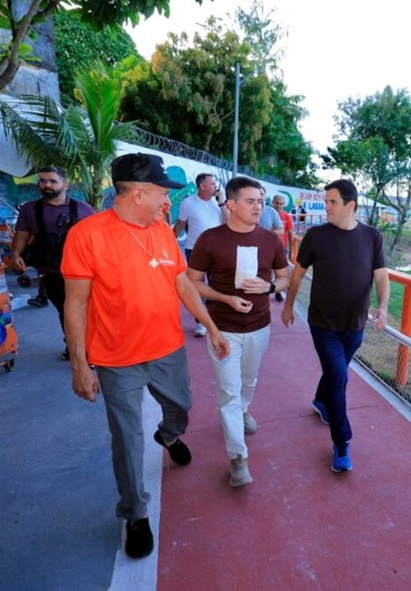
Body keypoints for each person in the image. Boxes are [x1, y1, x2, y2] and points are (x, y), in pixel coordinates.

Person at [61, 153, 229, 560]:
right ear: (137, 194)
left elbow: (182, 284)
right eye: (162, 193)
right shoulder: (87, 235)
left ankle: (169, 434)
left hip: (167, 349)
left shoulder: (163, 232)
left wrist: (211, 326)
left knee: (182, 407)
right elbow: (75, 303)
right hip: (116, 358)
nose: (168, 201)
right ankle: (135, 512)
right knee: (126, 437)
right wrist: (81, 365)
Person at [281, 179, 389, 473]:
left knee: (334, 373)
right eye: (326, 201)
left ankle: (320, 400)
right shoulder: (316, 236)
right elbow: (298, 274)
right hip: (323, 324)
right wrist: (288, 306)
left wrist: (383, 307)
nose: (326, 207)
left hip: (355, 324)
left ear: (350, 205)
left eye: (332, 202)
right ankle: (342, 441)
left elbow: (381, 276)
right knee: (339, 378)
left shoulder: (372, 236)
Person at [187, 176, 289, 487]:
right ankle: (237, 458)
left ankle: (243, 411)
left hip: (259, 326)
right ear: (231, 205)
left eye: (261, 201)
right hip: (222, 329)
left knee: (249, 379)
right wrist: (224, 298)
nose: (259, 207)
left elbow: (285, 278)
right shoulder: (210, 239)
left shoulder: (270, 240)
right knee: (228, 391)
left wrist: (269, 287)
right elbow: (192, 282)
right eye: (251, 201)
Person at [9, 166, 95, 360]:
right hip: (51, 271)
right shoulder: (30, 209)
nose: (47, 185)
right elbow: (22, 235)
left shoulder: (84, 209)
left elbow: (99, 238)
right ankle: (75, 348)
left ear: (65, 185)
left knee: (87, 310)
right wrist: (15, 255)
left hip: (82, 271)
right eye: (42, 181)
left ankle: (84, 347)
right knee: (67, 311)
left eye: (52, 181)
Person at [172, 172, 226, 337]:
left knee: (216, 285)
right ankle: (200, 322)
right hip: (194, 250)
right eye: (212, 183)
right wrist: (169, 242)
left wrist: (222, 203)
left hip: (217, 251)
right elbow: (180, 225)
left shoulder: (219, 203)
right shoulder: (188, 203)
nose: (215, 186)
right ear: (202, 186)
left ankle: (212, 317)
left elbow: (228, 222)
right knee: (197, 286)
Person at [271, 194, 295, 302]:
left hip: (281, 249)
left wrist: (291, 251)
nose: (279, 206)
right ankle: (265, 293)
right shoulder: (267, 213)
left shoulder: (287, 216)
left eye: (281, 204)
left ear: (284, 204)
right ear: (273, 202)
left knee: (281, 274)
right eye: (277, 203)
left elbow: (290, 234)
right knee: (267, 272)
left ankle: (278, 292)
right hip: (268, 248)